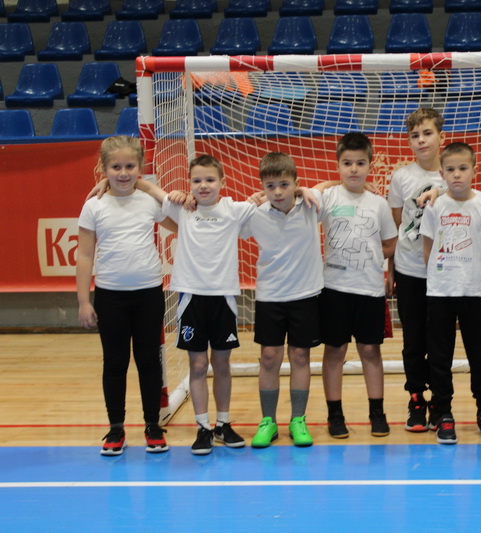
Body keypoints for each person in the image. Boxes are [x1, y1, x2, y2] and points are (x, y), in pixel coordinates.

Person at [139, 154, 256, 455]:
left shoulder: (234, 209)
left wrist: (300, 190)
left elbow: (269, 196)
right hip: (191, 299)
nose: (203, 186)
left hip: (224, 299)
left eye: (210, 180)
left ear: (222, 182)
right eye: (197, 181)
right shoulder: (182, 208)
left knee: (222, 364)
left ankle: (223, 424)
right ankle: (203, 427)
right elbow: (150, 189)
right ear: (189, 184)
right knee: (199, 365)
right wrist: (107, 182)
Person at [76, 136, 177, 456]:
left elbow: (181, 225)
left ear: (140, 167)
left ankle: (152, 426)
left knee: (148, 361)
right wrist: (83, 301)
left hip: (148, 294)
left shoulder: (148, 201)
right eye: (115, 167)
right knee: (115, 362)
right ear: (103, 168)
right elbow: (84, 255)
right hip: (110, 297)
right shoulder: (94, 205)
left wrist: (148, 187)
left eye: (130, 166)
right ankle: (116, 428)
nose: (123, 173)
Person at [315, 132, 398, 439]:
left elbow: (391, 243)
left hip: (369, 291)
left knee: (370, 351)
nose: (353, 169)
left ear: (369, 166)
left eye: (360, 163)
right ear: (338, 165)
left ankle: (377, 413)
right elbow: (309, 194)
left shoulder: (379, 204)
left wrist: (369, 255)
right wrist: (328, 184)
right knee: (334, 351)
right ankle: (335, 415)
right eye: (347, 163)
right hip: (334, 289)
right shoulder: (328, 198)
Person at [240, 153, 323, 448]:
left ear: (295, 183)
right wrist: (249, 203)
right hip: (270, 297)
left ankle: (298, 419)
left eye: (284, 185)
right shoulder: (254, 214)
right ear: (262, 186)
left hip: (305, 295)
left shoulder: (310, 205)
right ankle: (268, 421)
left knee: (300, 357)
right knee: (269, 357)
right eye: (270, 186)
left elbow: (331, 185)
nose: (277, 192)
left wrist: (306, 190)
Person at [419, 142, 481, 445]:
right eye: (450, 169)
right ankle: (443, 412)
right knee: (440, 357)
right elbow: (428, 249)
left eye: (463, 168)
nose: (456, 175)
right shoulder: (435, 206)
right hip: (440, 293)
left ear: (474, 170)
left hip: (473, 293)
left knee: (479, 357)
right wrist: (442, 277)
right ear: (441, 173)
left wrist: (475, 279)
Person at [386, 108, 446, 433]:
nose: (421, 140)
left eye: (427, 133)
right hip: (409, 271)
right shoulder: (401, 177)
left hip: (444, 273)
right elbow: (398, 225)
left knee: (439, 341)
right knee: (413, 342)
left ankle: (439, 401)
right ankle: (416, 400)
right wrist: (392, 268)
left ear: (441, 137)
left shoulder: (452, 174)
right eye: (414, 135)